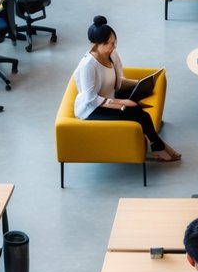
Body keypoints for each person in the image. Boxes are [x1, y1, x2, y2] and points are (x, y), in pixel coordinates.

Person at [72, 16, 181, 162]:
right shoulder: (88, 66)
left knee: (138, 104)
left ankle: (158, 145)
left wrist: (138, 84)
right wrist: (121, 102)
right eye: (110, 44)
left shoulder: (111, 54)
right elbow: (91, 99)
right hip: (92, 108)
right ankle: (158, 148)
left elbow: (118, 80)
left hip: (109, 96)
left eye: (114, 42)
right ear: (98, 44)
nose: (114, 46)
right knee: (138, 113)